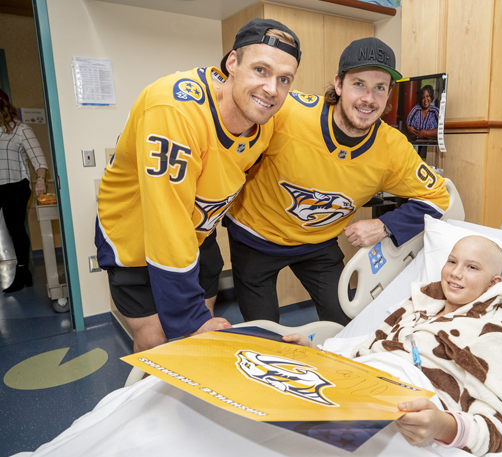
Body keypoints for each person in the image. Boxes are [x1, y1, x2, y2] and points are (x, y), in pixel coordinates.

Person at [95, 19, 301, 353]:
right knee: (158, 344)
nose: (271, 89)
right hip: (135, 238)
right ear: (232, 62)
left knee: (200, 342)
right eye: (260, 69)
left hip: (196, 234)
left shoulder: (266, 119)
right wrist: (190, 318)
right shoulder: (173, 108)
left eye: (284, 79)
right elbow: (166, 221)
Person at [226, 37, 450, 326]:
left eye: (379, 88)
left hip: (317, 244)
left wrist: (384, 225)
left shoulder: (393, 148)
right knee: (263, 330)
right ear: (339, 84)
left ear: (389, 94)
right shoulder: (288, 113)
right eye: (358, 84)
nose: (369, 98)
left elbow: (438, 198)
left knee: (347, 324)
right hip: (255, 237)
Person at [284, 235, 502, 455]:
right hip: (357, 381)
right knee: (286, 428)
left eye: (472, 267)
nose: (456, 273)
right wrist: (320, 357)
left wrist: (443, 426)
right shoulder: (418, 305)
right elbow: (368, 350)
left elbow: (499, 426)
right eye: (452, 261)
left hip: (411, 400)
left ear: (493, 284)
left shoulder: (495, 329)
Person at [0, 88, 48, 293]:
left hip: (15, 186)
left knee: (15, 228)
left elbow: (39, 159)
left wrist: (40, 180)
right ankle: (25, 273)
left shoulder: (21, 129)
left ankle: (22, 271)